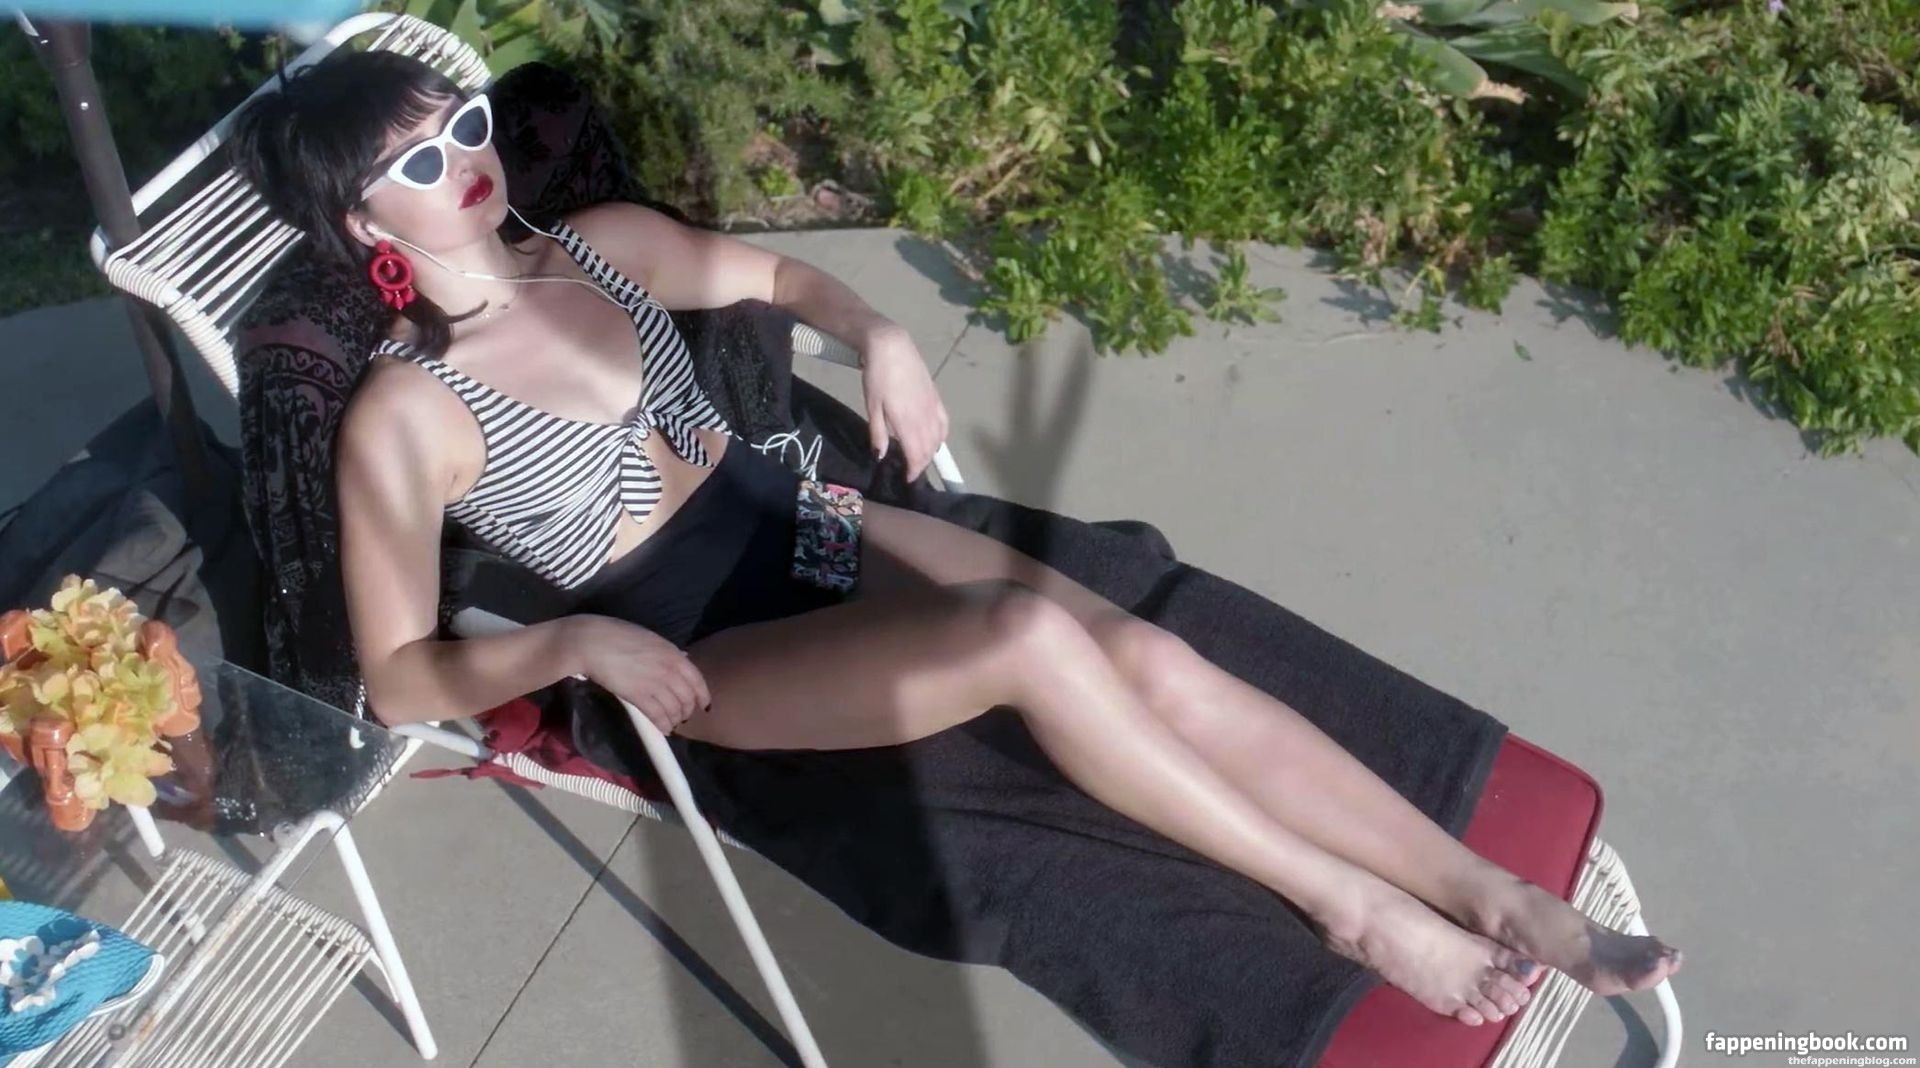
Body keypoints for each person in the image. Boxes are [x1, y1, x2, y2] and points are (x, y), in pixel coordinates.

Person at [228, 48, 1681, 1031]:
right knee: (1036, 637)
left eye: (466, 125)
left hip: (812, 528)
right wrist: (575, 643)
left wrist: (879, 331)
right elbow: (398, 679)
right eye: (418, 159)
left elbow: (783, 279)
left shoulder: (600, 244)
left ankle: (1498, 896)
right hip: (705, 655)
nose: (466, 162)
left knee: (1144, 653)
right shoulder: (406, 414)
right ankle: (1353, 909)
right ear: (360, 219)